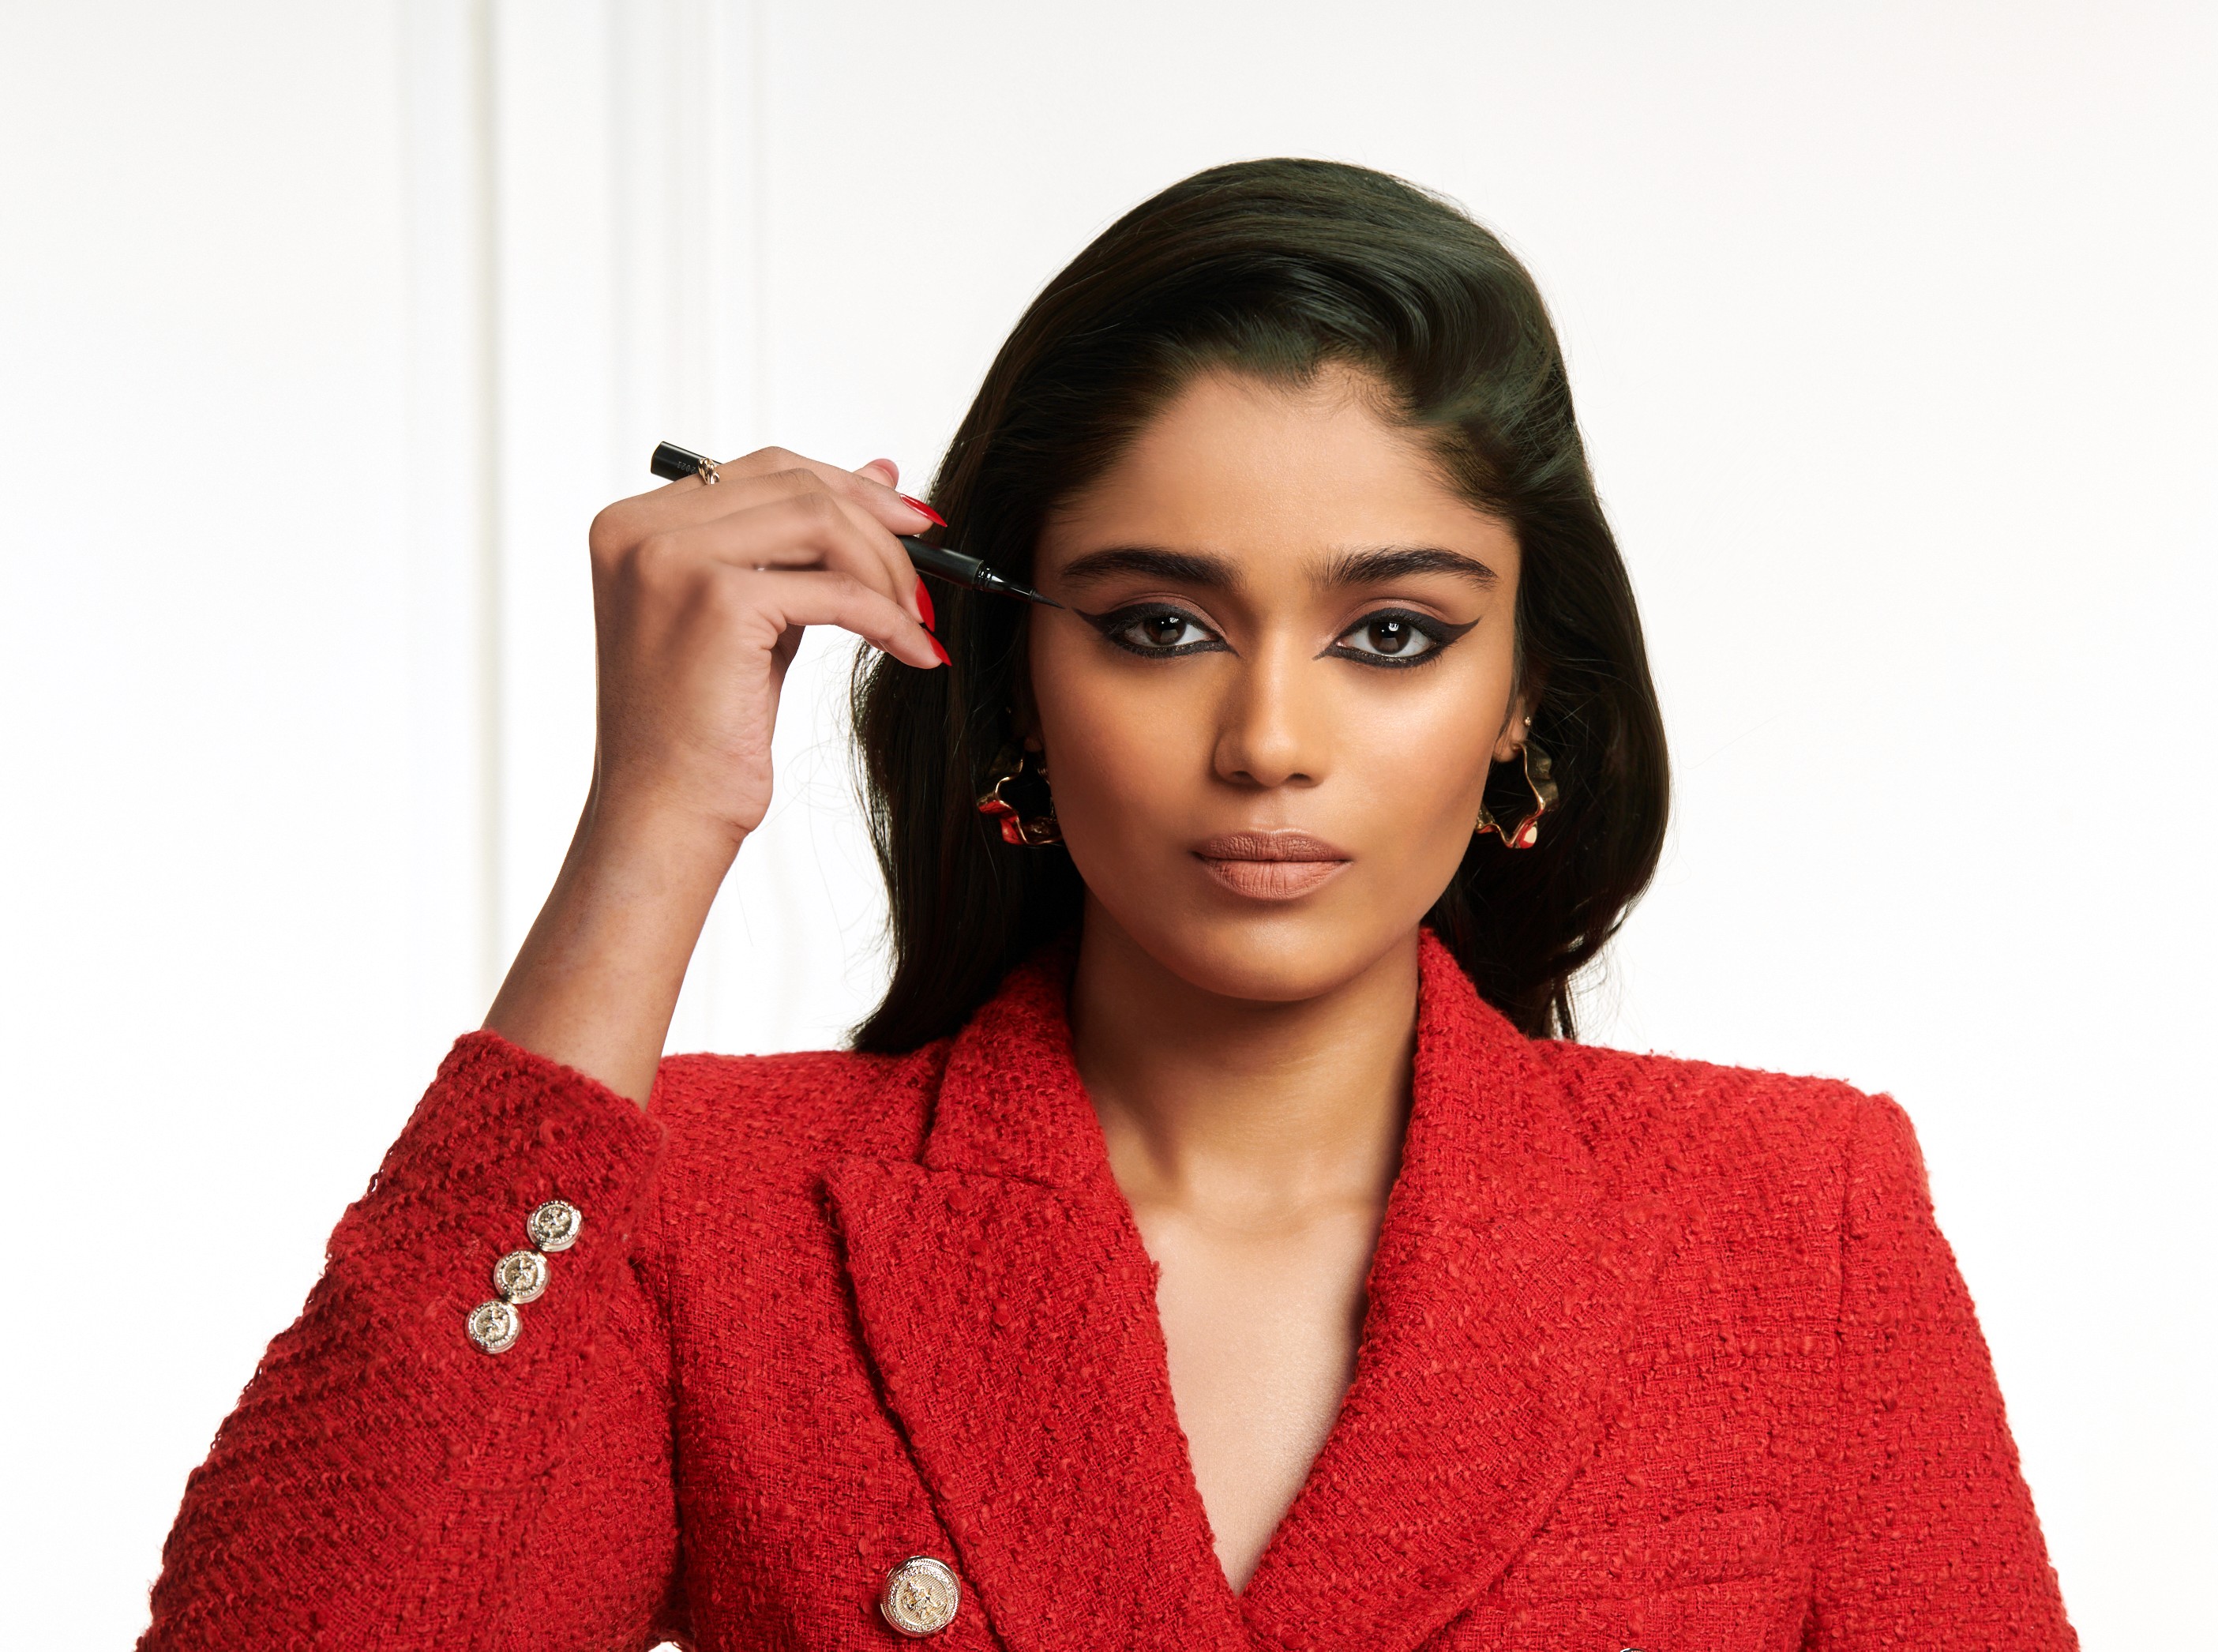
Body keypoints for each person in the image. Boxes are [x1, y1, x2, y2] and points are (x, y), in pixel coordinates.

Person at [138, 159, 2076, 1650]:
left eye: (1391, 633)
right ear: (1014, 682)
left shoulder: (1785, 1219)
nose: (1268, 736)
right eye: (1158, 626)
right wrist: (656, 820)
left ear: (1521, 709)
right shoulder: (722, 1210)